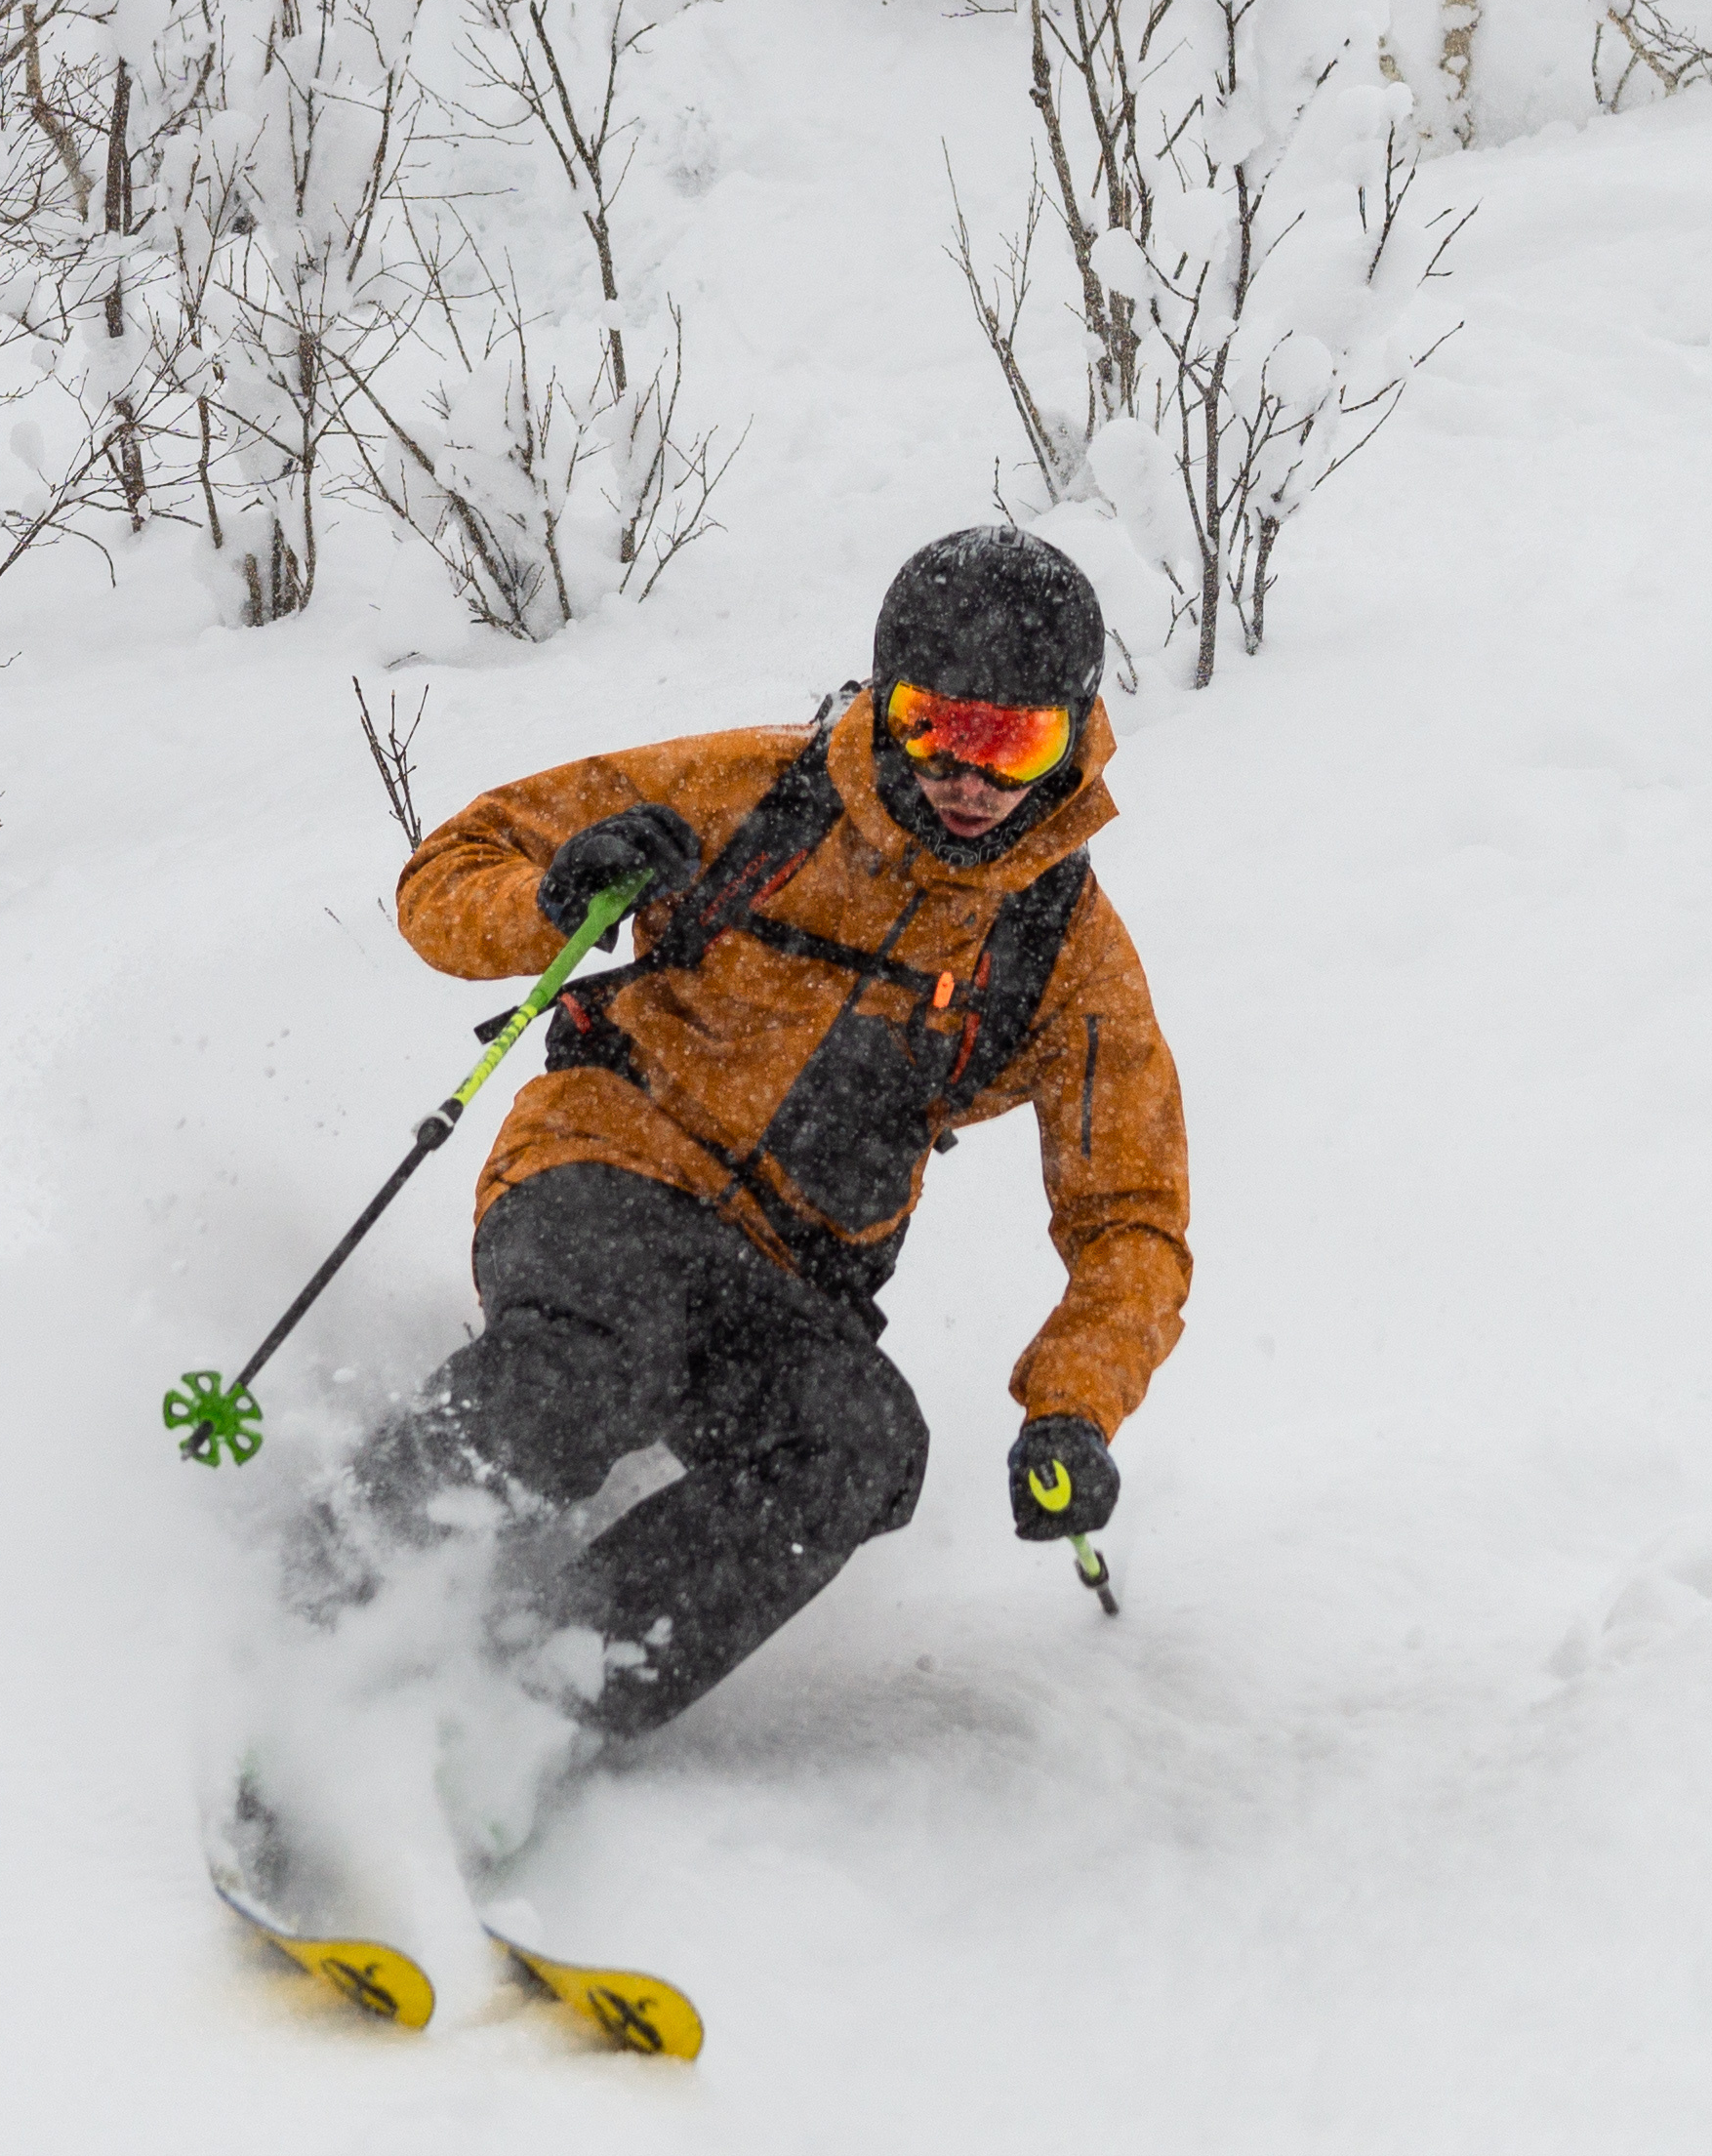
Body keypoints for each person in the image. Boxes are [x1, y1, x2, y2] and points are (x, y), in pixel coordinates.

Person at [314, 528, 1191, 1748]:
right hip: (608, 1156)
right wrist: (554, 894)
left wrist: (1074, 1407)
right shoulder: (757, 794)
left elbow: (1132, 1216)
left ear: (1074, 737)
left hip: (788, 1272)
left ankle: (529, 1711)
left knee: (862, 1445)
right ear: (887, 706)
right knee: (593, 1348)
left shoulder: (1062, 954)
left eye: (1016, 741)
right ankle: (323, 1600)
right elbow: (448, 872)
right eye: (939, 725)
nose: (971, 777)